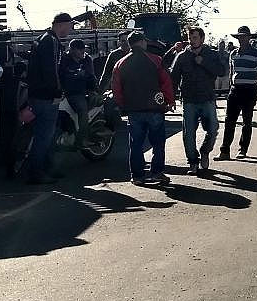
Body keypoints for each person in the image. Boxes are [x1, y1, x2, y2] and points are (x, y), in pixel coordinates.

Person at [112, 31, 175, 185]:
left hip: (133, 110)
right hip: (155, 108)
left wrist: (122, 105)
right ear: (141, 42)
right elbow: (166, 82)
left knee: (136, 144)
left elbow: (116, 87)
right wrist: (170, 101)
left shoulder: (121, 63)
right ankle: (157, 173)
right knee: (158, 143)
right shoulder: (156, 60)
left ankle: (137, 176)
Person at [169, 27, 227, 174]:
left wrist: (204, 62)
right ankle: (193, 162)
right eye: (190, 37)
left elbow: (222, 72)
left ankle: (205, 151)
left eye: (195, 37)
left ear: (202, 38)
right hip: (189, 100)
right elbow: (173, 78)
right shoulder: (182, 56)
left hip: (207, 98)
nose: (192, 40)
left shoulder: (211, 54)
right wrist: (170, 99)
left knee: (213, 129)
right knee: (189, 133)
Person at [25, 12, 73, 184]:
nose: (70, 29)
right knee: (44, 136)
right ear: (61, 24)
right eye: (69, 26)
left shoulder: (42, 39)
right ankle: (37, 172)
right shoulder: (51, 42)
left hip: (37, 95)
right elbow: (51, 69)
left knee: (43, 135)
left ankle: (44, 168)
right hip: (45, 97)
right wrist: (57, 92)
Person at [215, 26, 257, 161]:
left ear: (249, 38)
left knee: (247, 121)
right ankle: (225, 151)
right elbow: (232, 71)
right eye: (240, 37)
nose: (242, 39)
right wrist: (231, 86)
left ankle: (242, 149)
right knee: (229, 121)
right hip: (235, 90)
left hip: (250, 90)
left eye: (245, 36)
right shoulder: (233, 54)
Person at [59, 38, 97, 147]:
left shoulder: (87, 59)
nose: (82, 52)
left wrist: (93, 90)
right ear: (71, 50)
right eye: (79, 50)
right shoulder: (64, 60)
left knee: (82, 109)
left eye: (83, 49)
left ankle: (82, 139)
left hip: (79, 93)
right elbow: (62, 75)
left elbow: (91, 76)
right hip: (67, 92)